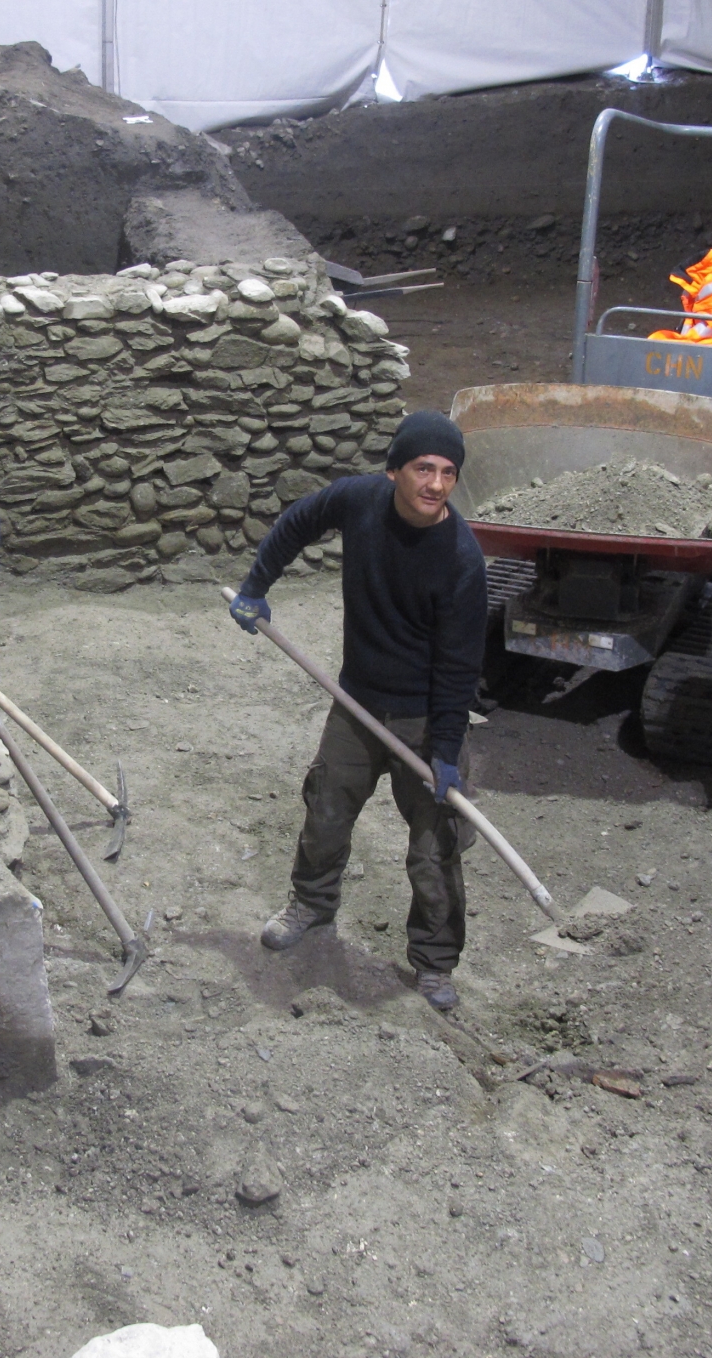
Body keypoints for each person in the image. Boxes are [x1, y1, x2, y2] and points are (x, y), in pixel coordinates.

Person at [228, 411, 488, 1011]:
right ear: (395, 468)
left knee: (435, 847)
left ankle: (434, 962)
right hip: (357, 702)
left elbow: (458, 671)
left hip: (424, 719)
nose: (437, 484)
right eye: (424, 468)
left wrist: (446, 753)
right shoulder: (359, 500)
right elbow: (298, 522)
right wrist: (256, 585)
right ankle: (313, 906)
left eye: (449, 473)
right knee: (326, 809)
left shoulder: (460, 561)